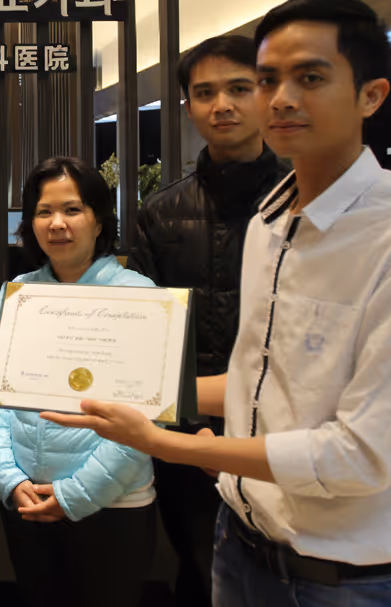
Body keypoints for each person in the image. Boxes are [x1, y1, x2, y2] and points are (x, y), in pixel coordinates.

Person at [43, 0, 391, 607]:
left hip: (349, 578)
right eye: (271, 78)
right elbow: (257, 376)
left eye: (310, 78)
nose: (281, 98)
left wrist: (167, 440)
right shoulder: (272, 224)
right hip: (243, 543)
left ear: (371, 94)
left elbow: (360, 456)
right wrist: (139, 397)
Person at [126, 34, 288, 606]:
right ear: (187, 106)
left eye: (240, 88)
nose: (223, 105)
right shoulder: (160, 212)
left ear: (267, 94)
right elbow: (143, 334)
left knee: (282, 572)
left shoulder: (304, 202)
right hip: (186, 430)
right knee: (200, 566)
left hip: (284, 429)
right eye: (205, 92)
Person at [0, 156, 157, 607]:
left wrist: (74, 495)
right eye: (44, 212)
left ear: (99, 220)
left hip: (113, 504)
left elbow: (143, 420)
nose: (57, 223)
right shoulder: (19, 293)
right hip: (28, 498)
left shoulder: (139, 296)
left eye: (73, 210)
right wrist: (6, 477)